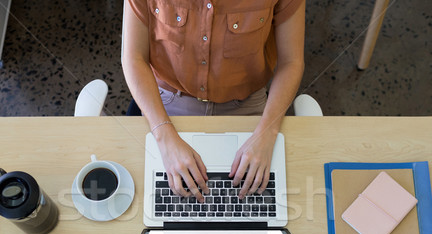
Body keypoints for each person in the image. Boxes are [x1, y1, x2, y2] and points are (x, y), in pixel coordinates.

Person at [122, 0, 305, 203]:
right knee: (149, 203)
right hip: (168, 103)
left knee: (262, 203)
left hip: (246, 105)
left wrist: (267, 132)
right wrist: (164, 136)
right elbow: (133, 58)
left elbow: (291, 62)